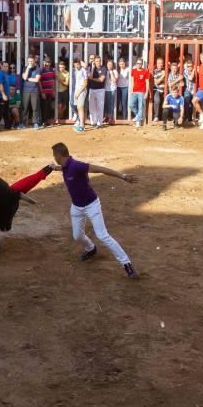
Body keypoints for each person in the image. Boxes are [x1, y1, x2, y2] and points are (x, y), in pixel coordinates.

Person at [49, 142, 139, 279]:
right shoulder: (66, 166)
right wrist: (55, 168)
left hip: (92, 205)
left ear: (59, 155)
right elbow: (64, 168)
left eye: (54, 155)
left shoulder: (77, 165)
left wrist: (123, 176)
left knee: (102, 235)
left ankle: (127, 264)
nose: (54, 157)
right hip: (76, 207)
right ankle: (91, 248)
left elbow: (101, 169)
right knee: (77, 236)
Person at [21, 56, 42, 129]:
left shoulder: (38, 69)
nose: (30, 63)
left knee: (35, 108)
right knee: (25, 107)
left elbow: (36, 80)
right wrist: (28, 68)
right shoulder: (25, 68)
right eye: (29, 61)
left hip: (34, 91)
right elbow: (24, 78)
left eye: (31, 61)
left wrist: (28, 79)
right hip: (26, 91)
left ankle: (35, 123)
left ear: (34, 61)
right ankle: (23, 123)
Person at [128, 58, 149, 127]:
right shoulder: (133, 71)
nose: (139, 65)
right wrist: (131, 90)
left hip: (142, 92)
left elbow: (147, 82)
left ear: (142, 64)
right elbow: (132, 81)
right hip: (134, 91)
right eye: (137, 63)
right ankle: (138, 116)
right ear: (136, 63)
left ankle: (138, 121)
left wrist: (146, 92)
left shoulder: (145, 72)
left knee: (140, 107)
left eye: (140, 63)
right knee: (131, 104)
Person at [87, 56, 106, 129]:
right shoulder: (92, 68)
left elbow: (101, 79)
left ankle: (99, 123)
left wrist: (93, 79)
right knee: (92, 107)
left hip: (100, 90)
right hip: (92, 89)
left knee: (100, 106)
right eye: (97, 61)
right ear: (94, 61)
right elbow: (90, 76)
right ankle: (93, 122)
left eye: (99, 61)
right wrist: (92, 68)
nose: (99, 62)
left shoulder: (103, 68)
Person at [72, 57, 88, 133]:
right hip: (77, 91)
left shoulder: (83, 70)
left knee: (80, 108)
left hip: (82, 91)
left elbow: (85, 83)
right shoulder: (75, 70)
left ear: (80, 64)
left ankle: (82, 126)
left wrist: (78, 92)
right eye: (75, 65)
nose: (76, 66)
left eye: (77, 65)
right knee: (78, 108)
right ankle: (80, 123)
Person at [40, 58, 56, 126]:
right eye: (46, 62)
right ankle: (43, 121)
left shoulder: (52, 70)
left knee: (49, 107)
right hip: (44, 92)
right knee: (44, 107)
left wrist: (53, 91)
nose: (47, 64)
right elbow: (39, 82)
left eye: (49, 62)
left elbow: (54, 79)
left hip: (50, 92)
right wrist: (42, 92)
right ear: (44, 62)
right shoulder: (41, 70)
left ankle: (48, 121)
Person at [151, 57, 165, 124]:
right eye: (159, 63)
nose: (160, 64)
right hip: (157, 90)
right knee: (157, 101)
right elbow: (156, 82)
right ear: (156, 64)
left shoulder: (166, 70)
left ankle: (163, 117)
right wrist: (163, 75)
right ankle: (156, 116)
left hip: (165, 90)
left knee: (165, 103)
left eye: (162, 63)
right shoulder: (154, 71)